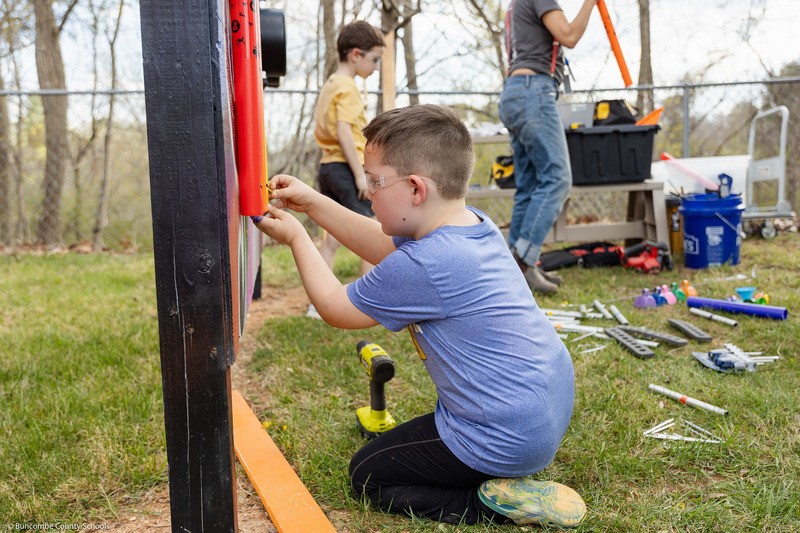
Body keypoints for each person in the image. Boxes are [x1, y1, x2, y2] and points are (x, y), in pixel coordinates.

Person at [252, 104, 585, 527]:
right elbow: (379, 241)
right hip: (540, 415)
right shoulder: (474, 226)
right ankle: (506, 474)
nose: (368, 191)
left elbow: (336, 308)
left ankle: (491, 505)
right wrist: (312, 203)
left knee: (368, 475)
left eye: (375, 181)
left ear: (415, 189)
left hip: (503, 437)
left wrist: (299, 237)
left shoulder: (427, 262)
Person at [499, 0, 598, 293]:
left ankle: (515, 270)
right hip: (533, 92)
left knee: (529, 186)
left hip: (515, 94)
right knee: (557, 178)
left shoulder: (515, 5)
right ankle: (524, 263)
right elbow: (569, 35)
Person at [307, 20, 385, 318]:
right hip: (344, 167)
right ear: (356, 54)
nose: (375, 67)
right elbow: (343, 132)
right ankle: (372, 302)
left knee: (332, 237)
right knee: (372, 233)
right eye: (374, 59)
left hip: (327, 167)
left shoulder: (330, 84)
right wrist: (359, 175)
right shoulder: (348, 87)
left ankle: (317, 304)